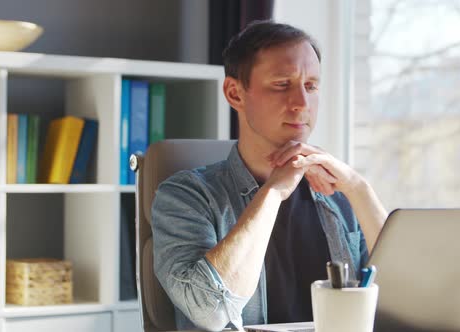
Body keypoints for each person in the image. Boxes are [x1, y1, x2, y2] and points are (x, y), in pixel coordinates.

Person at [151, 20, 387, 331]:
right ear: (235, 93)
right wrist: (273, 192)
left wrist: (359, 188)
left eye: (311, 86)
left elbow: (414, 295)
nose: (302, 104)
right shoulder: (186, 195)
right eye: (282, 85)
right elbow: (211, 311)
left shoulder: (339, 196)